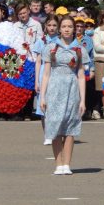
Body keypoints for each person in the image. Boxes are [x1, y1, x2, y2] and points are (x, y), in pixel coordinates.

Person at [40, 16, 89, 175]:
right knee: (54, 125)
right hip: (54, 87)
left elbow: (81, 75)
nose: (67, 29)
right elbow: (46, 74)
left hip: (71, 88)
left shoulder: (79, 49)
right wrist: (42, 96)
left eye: (70, 26)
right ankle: (58, 164)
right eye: (64, 26)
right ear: (59, 29)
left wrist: (83, 100)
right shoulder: (51, 47)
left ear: (74, 29)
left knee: (70, 126)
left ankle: (67, 164)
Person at [33, 14, 59, 145]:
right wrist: (36, 80)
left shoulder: (61, 41)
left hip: (57, 72)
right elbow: (38, 62)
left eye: (54, 25)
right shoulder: (41, 41)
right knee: (43, 105)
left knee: (55, 104)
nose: (52, 28)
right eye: (49, 25)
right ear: (45, 26)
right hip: (44, 72)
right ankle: (47, 134)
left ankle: (56, 133)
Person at [75, 17, 95, 120]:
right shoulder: (70, 38)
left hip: (85, 67)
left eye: (81, 26)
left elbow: (91, 56)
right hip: (72, 68)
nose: (79, 28)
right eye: (77, 26)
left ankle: (84, 111)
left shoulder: (88, 40)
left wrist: (92, 69)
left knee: (85, 90)